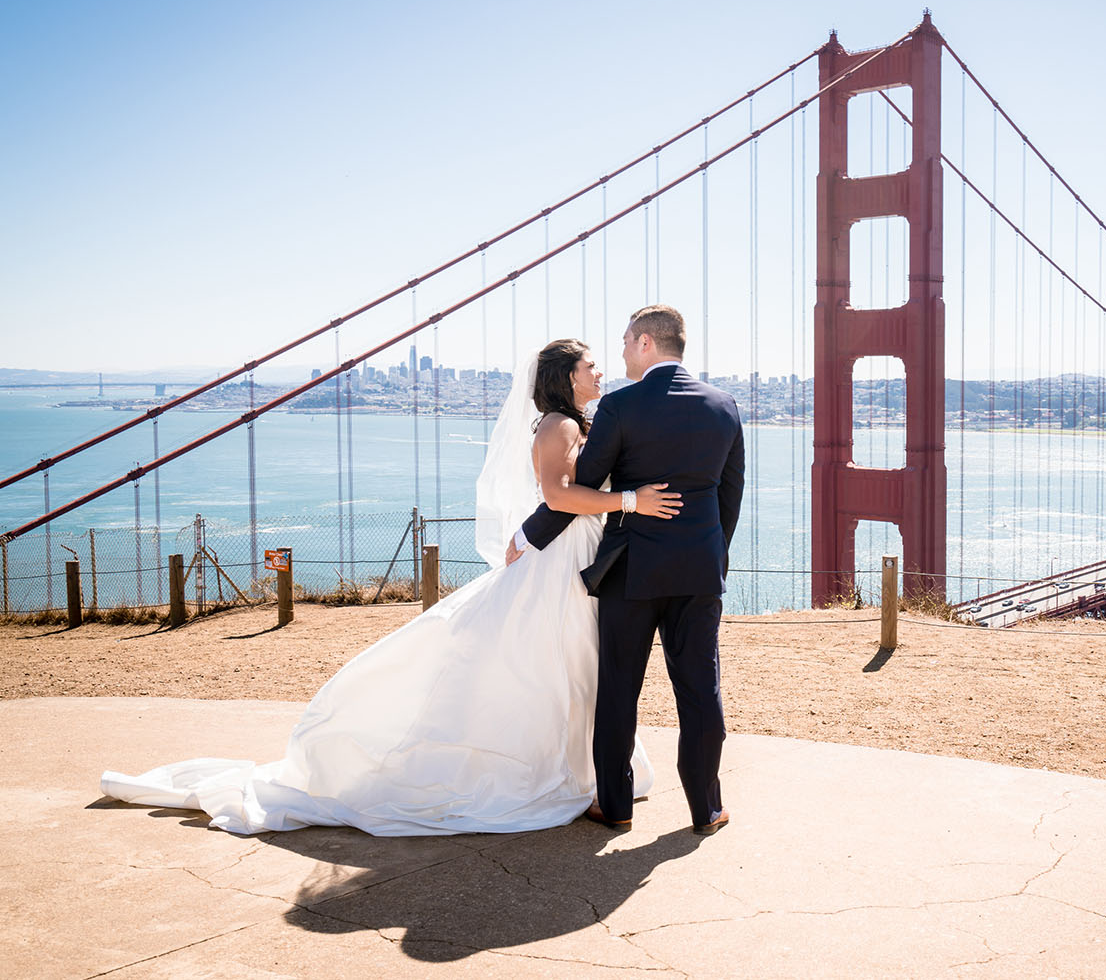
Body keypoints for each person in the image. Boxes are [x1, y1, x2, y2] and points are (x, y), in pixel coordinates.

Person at [98, 339, 676, 835]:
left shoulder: (580, 423)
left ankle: (580, 771)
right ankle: (551, 773)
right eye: (591, 366)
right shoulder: (557, 425)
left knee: (572, 667)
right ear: (566, 377)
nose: (600, 372)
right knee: (553, 665)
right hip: (560, 560)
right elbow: (557, 498)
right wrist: (631, 502)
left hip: (572, 554)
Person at [512, 305, 744, 836]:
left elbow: (583, 489)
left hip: (630, 570)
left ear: (644, 343)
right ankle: (706, 809)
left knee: (618, 689)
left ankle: (614, 806)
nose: (618, 354)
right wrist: (708, 555)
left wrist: (530, 535)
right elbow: (729, 499)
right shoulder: (724, 405)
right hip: (697, 572)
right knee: (701, 689)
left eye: (623, 342)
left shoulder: (620, 406)